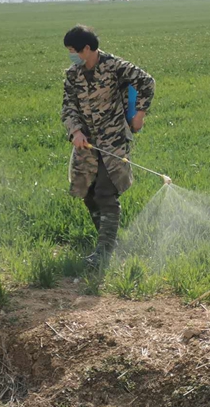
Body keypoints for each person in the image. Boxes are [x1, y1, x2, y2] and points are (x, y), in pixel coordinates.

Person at [61, 25, 155, 268]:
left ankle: (104, 253)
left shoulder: (116, 67)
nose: (72, 56)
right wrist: (76, 131)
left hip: (113, 140)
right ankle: (108, 241)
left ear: (88, 48)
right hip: (87, 144)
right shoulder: (73, 75)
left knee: (105, 191)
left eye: (74, 51)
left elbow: (147, 82)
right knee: (88, 193)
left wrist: (140, 114)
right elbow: (68, 108)